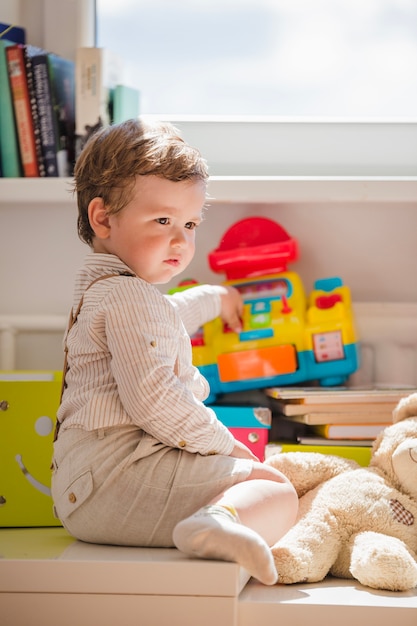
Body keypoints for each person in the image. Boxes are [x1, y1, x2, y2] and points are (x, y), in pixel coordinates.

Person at [51, 118, 298, 586]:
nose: (181, 240)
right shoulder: (129, 298)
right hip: (113, 483)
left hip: (88, 488)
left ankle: (216, 521)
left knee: (263, 482)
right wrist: (231, 446)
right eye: (163, 221)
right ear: (102, 217)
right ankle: (215, 524)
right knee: (273, 487)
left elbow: (166, 319)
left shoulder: (107, 292)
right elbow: (156, 400)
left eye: (190, 223)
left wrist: (215, 297)